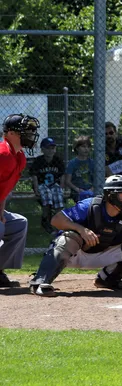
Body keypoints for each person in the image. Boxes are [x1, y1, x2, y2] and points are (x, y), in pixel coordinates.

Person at [29, 175, 122, 297]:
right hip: (73, 254)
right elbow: (56, 220)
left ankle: (107, 280)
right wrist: (81, 229)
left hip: (101, 253)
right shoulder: (89, 206)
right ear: (111, 195)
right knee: (68, 237)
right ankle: (40, 282)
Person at [0, 114, 40, 287]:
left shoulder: (19, 157)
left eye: (32, 131)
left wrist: (1, 211)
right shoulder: (3, 154)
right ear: (10, 133)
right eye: (26, 130)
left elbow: (3, 190)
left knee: (18, 224)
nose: (30, 134)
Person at [30, 137, 65, 235]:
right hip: (42, 185)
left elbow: (62, 175)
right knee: (47, 197)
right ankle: (46, 220)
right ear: (42, 149)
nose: (51, 150)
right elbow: (34, 176)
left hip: (54, 185)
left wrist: (62, 187)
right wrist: (36, 188)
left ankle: (59, 222)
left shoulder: (58, 160)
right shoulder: (38, 161)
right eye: (48, 148)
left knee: (58, 198)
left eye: (53, 148)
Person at [65, 135, 94, 202]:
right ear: (77, 148)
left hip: (91, 189)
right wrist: (78, 189)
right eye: (83, 147)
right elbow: (68, 181)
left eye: (88, 147)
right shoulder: (72, 163)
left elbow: (97, 179)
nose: (86, 149)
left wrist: (92, 189)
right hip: (77, 191)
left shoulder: (92, 163)